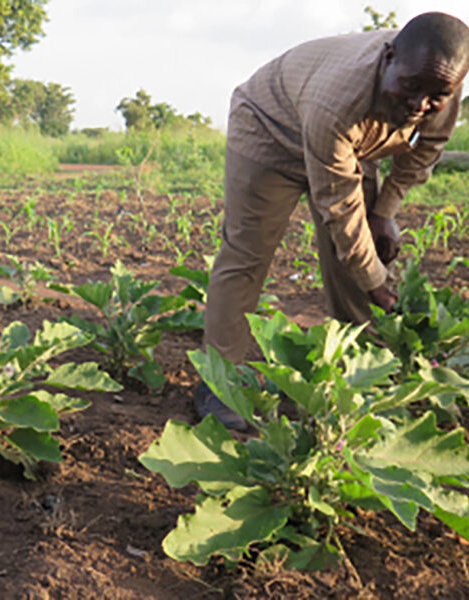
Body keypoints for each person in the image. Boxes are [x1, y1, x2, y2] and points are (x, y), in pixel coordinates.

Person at [196, 12, 469, 430]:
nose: (420, 105)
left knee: (355, 262)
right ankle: (220, 381)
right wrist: (377, 280)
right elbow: (338, 206)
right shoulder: (339, 99)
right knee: (247, 254)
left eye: (438, 95)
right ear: (389, 58)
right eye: (411, 88)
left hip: (351, 148)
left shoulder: (439, 81)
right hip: (271, 129)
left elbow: (425, 148)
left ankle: (361, 374)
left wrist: (384, 213)